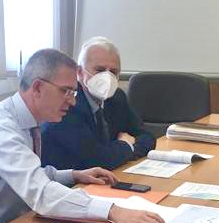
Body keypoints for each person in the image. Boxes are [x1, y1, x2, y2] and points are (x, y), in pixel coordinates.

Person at [0, 48, 168, 223]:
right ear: (37, 88)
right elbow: (41, 194)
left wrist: (73, 175)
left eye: (74, 92)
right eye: (66, 91)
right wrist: (114, 212)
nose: (72, 101)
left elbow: (28, 175)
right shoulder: (1, 130)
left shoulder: (26, 119)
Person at [40, 37, 154, 170]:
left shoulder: (117, 97)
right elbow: (97, 160)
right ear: (79, 72)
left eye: (113, 72)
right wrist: (126, 145)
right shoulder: (67, 102)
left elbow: (148, 137)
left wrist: (119, 152)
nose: (107, 77)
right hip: (67, 180)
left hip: (107, 175)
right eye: (99, 70)